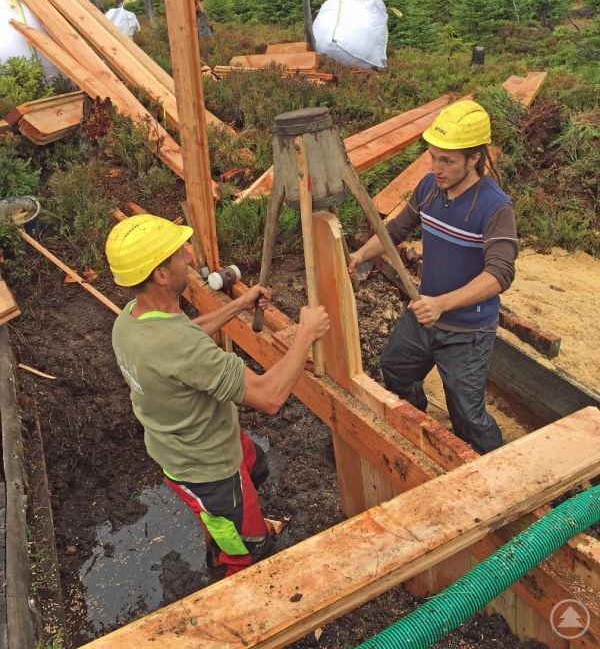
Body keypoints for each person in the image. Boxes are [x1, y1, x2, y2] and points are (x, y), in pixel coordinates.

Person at [105, 214, 329, 576]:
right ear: (161, 275)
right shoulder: (179, 348)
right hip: (208, 472)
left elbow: (184, 337)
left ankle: (230, 528)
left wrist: (238, 305)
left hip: (190, 442)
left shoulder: (131, 319)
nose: (190, 257)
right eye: (180, 253)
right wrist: (305, 334)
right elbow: (269, 397)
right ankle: (236, 580)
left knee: (256, 467)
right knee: (249, 551)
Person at [348, 101, 518, 455]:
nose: (436, 168)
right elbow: (394, 230)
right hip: (423, 317)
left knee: (468, 416)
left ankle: (493, 469)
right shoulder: (429, 188)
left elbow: (500, 274)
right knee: (395, 370)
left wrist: (442, 303)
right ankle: (418, 427)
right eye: (433, 157)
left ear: (474, 159)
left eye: (447, 161)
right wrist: (360, 255)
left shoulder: (494, 207)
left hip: (466, 331)